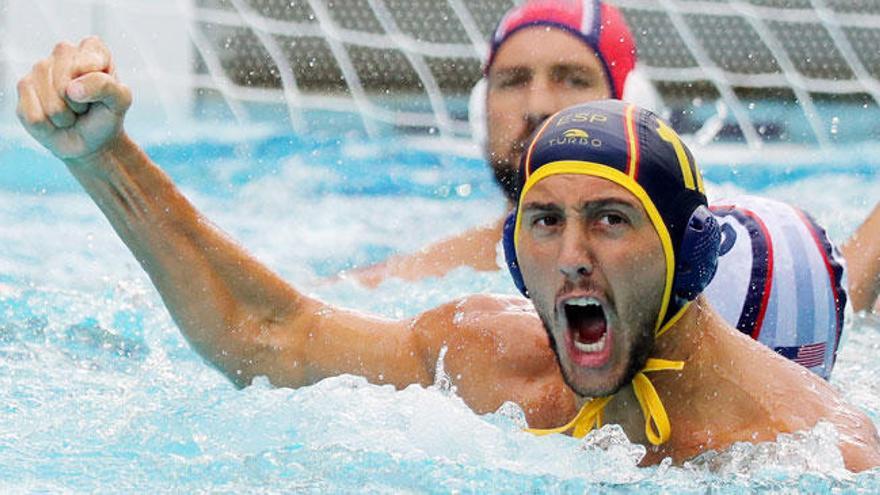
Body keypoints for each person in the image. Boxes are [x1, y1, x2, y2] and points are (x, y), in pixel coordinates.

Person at [14, 38, 880, 470]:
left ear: (692, 276)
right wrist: (102, 158)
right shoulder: (496, 361)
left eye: (612, 222)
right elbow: (268, 332)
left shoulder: (821, 455)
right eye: (544, 222)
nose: (572, 255)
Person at [344, 0, 880, 379]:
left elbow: (809, 303)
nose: (537, 106)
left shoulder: (701, 242)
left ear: (629, 108)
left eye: (572, 79)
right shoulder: (411, 276)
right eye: (513, 81)